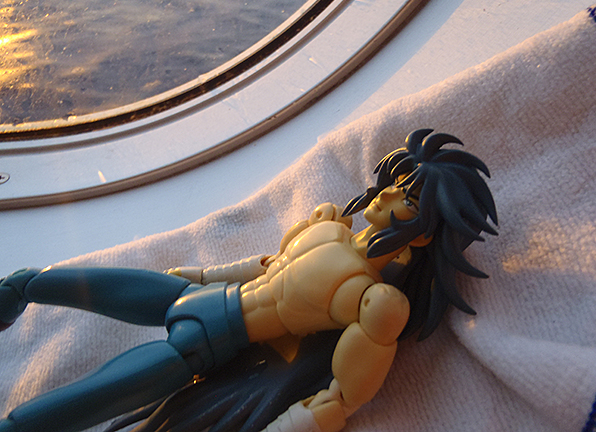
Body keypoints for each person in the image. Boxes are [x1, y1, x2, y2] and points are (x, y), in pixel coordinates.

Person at [0, 129, 497, 432]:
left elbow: (337, 401)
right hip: (195, 295)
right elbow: (266, 266)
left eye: (406, 200)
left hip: (201, 348)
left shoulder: (377, 303)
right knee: (38, 282)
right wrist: (200, 275)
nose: (385, 197)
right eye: (396, 184)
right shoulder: (331, 225)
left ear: (425, 232)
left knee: (83, 401)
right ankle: (13, 294)